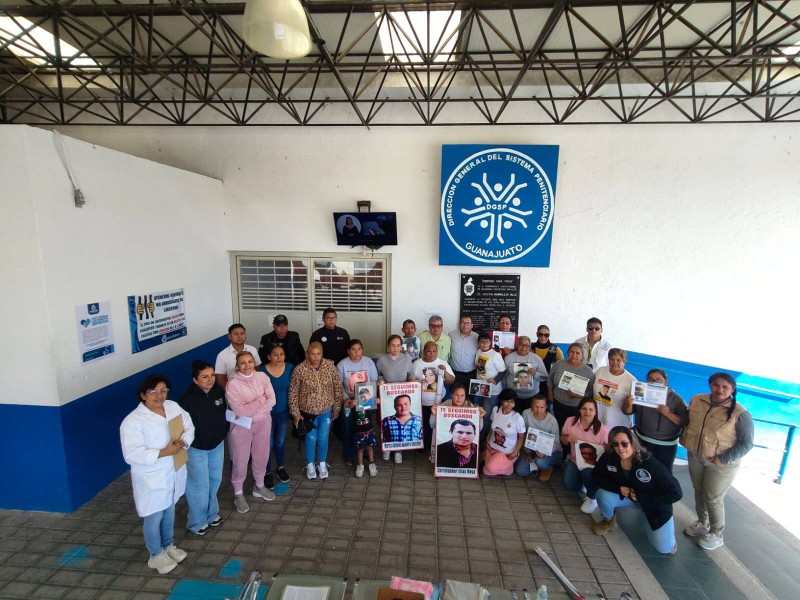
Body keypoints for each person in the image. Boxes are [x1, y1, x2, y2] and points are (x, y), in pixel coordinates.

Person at [120, 374, 194, 574]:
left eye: (163, 391)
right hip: (152, 477)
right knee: (154, 517)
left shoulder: (173, 407)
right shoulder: (132, 421)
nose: (159, 396)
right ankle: (155, 554)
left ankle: (168, 546)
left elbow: (189, 425)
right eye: (153, 392)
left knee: (169, 511)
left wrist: (184, 441)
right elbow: (132, 454)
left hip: (173, 470)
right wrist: (164, 452)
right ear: (143, 395)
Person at [681, 372, 754, 551]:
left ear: (732, 390)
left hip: (721, 463)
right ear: (710, 385)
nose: (719, 390)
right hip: (696, 456)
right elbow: (687, 422)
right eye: (716, 385)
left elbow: (747, 443)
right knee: (699, 490)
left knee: (713, 497)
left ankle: (716, 533)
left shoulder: (740, 413)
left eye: (725, 387)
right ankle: (702, 523)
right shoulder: (697, 400)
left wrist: (723, 458)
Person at [592, 426, 683, 554]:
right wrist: (617, 489)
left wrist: (644, 497)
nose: (620, 448)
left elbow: (676, 493)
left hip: (654, 504)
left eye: (624, 444)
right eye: (615, 444)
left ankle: (667, 529)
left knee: (665, 549)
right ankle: (608, 521)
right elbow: (597, 476)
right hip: (629, 498)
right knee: (602, 495)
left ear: (633, 443)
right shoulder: (610, 456)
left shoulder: (649, 463)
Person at [177, 361, 227, 535]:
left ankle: (212, 513)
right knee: (199, 484)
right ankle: (196, 522)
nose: (210, 379)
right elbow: (182, 428)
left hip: (217, 445)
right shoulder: (186, 401)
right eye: (204, 377)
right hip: (197, 448)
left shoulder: (218, 391)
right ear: (195, 379)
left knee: (214, 480)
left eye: (212, 375)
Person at [225, 351, 277, 513]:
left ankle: (259, 486)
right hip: (242, 426)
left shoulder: (262, 377)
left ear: (254, 362)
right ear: (237, 366)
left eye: (250, 361)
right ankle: (238, 493)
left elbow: (272, 399)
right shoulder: (232, 384)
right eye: (242, 363)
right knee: (240, 459)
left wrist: (254, 410)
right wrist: (261, 399)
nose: (247, 365)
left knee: (262, 454)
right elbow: (240, 411)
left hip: (263, 423)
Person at [289, 341, 344, 480]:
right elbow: (293, 393)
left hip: (326, 410)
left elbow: (337, 387)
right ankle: (310, 464)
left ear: (322, 354)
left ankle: (322, 463)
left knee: (323, 437)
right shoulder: (300, 369)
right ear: (307, 354)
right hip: (307, 413)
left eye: (318, 354)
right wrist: (295, 413)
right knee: (311, 438)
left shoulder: (329, 366)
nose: (316, 357)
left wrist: (337, 407)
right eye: (312, 354)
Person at [622, 369, 688, 471]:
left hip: (666, 445)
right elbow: (627, 411)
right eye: (651, 379)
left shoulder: (675, 399)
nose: (654, 382)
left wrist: (668, 413)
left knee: (664, 472)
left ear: (665, 382)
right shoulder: (640, 393)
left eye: (659, 380)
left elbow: (683, 422)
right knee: (641, 468)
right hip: (641, 440)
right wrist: (628, 403)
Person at [561, 398, 609, 514]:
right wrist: (567, 438)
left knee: (588, 473)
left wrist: (607, 447)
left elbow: (608, 450)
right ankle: (584, 483)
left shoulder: (603, 430)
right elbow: (562, 439)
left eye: (591, 409)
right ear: (579, 410)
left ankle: (592, 497)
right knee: (569, 484)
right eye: (584, 409)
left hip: (593, 465)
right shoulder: (570, 421)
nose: (587, 412)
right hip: (575, 460)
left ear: (596, 412)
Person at [337, 339, 379, 466]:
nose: (357, 352)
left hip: (366, 401)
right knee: (348, 427)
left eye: (359, 349)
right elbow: (338, 385)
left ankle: (366, 451)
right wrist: (346, 399)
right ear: (348, 351)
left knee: (366, 427)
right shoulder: (342, 364)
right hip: (349, 401)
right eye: (353, 349)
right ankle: (349, 455)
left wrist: (372, 398)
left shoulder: (368, 362)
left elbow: (374, 380)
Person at [548, 343, 596, 451]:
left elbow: (591, 392)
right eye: (572, 352)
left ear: (582, 355)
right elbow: (550, 379)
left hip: (577, 408)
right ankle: (560, 452)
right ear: (567, 352)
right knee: (560, 428)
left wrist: (579, 395)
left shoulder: (588, 371)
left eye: (578, 353)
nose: (574, 355)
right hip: (558, 404)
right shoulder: (559, 364)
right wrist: (550, 395)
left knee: (574, 431)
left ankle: (572, 453)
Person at [376, 334, 415, 463]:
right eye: (393, 345)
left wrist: (413, 382)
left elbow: (411, 374)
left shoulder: (407, 359)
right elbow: (378, 374)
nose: (396, 348)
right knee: (387, 422)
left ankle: (398, 450)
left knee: (400, 422)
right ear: (388, 346)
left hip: (401, 395)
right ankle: (387, 447)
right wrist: (381, 380)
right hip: (387, 395)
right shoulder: (382, 359)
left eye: (398, 345)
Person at [413, 342, 455, 449]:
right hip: (420, 402)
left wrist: (444, 371)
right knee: (422, 425)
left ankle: (435, 447)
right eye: (429, 351)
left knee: (436, 425)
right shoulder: (416, 364)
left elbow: (451, 380)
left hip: (438, 402)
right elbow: (410, 378)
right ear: (424, 351)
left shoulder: (442, 363)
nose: (432, 353)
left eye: (434, 351)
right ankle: (423, 446)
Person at [263, 345, 295, 488]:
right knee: (268, 443)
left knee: (280, 441)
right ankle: (266, 471)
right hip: (266, 413)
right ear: (269, 356)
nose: (278, 357)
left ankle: (280, 467)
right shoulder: (261, 371)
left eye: (281, 354)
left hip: (283, 412)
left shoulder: (290, 368)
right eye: (275, 354)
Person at [516, 395, 562, 481]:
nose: (539, 410)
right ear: (531, 405)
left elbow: (556, 443)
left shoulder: (552, 421)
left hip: (549, 451)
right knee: (521, 471)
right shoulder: (526, 414)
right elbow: (523, 433)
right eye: (536, 407)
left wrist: (545, 453)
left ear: (546, 407)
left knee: (540, 462)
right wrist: (527, 452)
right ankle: (536, 463)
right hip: (531, 449)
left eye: (542, 407)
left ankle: (548, 467)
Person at [483, 389, 526, 476]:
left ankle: (508, 465)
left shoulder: (518, 418)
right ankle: (506, 467)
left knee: (490, 468)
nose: (509, 405)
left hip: (506, 451)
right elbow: (492, 426)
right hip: (492, 447)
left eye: (512, 402)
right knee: (486, 471)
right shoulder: (495, 410)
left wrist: (515, 452)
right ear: (501, 400)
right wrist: (488, 437)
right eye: (507, 401)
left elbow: (521, 437)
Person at [593, 348, 636, 429]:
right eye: (612, 359)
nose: (615, 362)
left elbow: (631, 411)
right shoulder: (600, 371)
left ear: (624, 361)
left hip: (618, 426)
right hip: (598, 421)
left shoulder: (631, 381)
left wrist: (628, 403)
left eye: (618, 360)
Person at [504, 336, 548, 413]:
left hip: (532, 396)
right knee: (515, 417)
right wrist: (505, 391)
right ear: (517, 345)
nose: (524, 347)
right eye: (521, 344)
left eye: (527, 345)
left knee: (529, 417)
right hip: (513, 396)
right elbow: (504, 376)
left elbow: (545, 377)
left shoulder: (536, 358)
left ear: (530, 346)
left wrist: (535, 373)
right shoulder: (508, 358)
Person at [474, 330, 506, 433]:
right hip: (480, 388)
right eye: (482, 341)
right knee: (479, 413)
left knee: (486, 416)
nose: (484, 344)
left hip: (492, 390)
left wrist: (494, 380)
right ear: (479, 343)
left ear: (490, 342)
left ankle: (483, 437)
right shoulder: (479, 351)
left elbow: (503, 371)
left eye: (487, 341)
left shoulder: (495, 355)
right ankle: (478, 434)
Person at [215, 323, 261, 388]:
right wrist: (231, 391)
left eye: (242, 333)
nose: (239, 336)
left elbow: (257, 369)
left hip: (253, 388)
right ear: (229, 336)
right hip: (233, 390)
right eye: (236, 334)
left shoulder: (252, 350)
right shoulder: (222, 355)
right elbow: (221, 379)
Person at [449, 314, 479, 387]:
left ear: (472, 325)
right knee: (455, 393)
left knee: (469, 394)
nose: (465, 325)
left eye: (468, 323)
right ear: (459, 324)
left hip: (471, 375)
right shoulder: (451, 335)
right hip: (455, 374)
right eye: (463, 323)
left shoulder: (477, 337)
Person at [354, 404, 378, 478]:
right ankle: (360, 465)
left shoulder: (368, 404)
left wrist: (376, 401)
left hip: (369, 430)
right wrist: (352, 403)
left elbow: (374, 406)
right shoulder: (355, 403)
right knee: (360, 449)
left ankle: (372, 463)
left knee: (370, 447)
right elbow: (348, 407)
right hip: (359, 431)